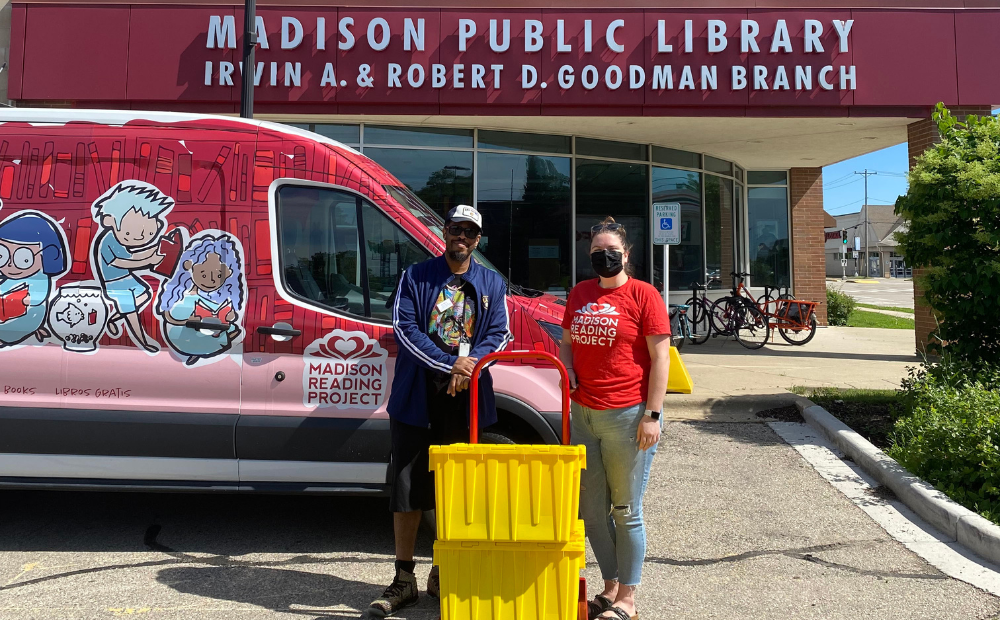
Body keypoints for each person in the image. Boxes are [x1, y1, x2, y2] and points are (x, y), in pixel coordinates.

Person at [370, 204, 511, 618]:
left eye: (470, 231)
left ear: (478, 239)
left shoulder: (491, 282)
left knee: (457, 491)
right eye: (455, 229)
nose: (461, 237)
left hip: (467, 399)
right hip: (416, 396)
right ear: (444, 232)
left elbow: (500, 334)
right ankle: (403, 580)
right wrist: (449, 363)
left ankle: (443, 573)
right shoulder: (414, 277)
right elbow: (405, 328)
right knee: (408, 489)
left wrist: (469, 368)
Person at [559, 217, 671, 620]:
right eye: (596, 253)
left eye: (611, 251)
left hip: (628, 416)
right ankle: (609, 586)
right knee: (591, 509)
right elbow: (568, 343)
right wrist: (567, 367)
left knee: (626, 509)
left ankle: (628, 598)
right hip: (584, 413)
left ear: (626, 254)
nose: (603, 257)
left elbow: (661, 359)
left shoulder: (644, 295)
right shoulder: (580, 294)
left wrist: (652, 416)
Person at [91, 181, 173, 353]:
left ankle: (114, 318)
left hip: (126, 279)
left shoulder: (117, 239)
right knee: (131, 312)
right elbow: (123, 262)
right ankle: (143, 341)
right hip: (114, 283)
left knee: (143, 296)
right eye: (130, 232)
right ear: (110, 221)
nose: (141, 237)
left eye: (149, 233)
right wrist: (148, 261)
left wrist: (154, 252)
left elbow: (133, 255)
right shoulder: (107, 241)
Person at [157, 233, 245, 366]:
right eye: (203, 274)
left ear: (229, 273)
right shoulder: (182, 296)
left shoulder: (221, 297)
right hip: (185, 334)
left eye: (219, 275)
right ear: (188, 266)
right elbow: (168, 317)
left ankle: (205, 347)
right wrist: (187, 321)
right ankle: (198, 349)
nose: (211, 280)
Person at [0, 211, 69, 347]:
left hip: (25, 318)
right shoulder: (8, 278)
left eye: (23, 258)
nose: (9, 264)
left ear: (46, 255)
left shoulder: (40, 279)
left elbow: (34, 299)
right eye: (2, 254)